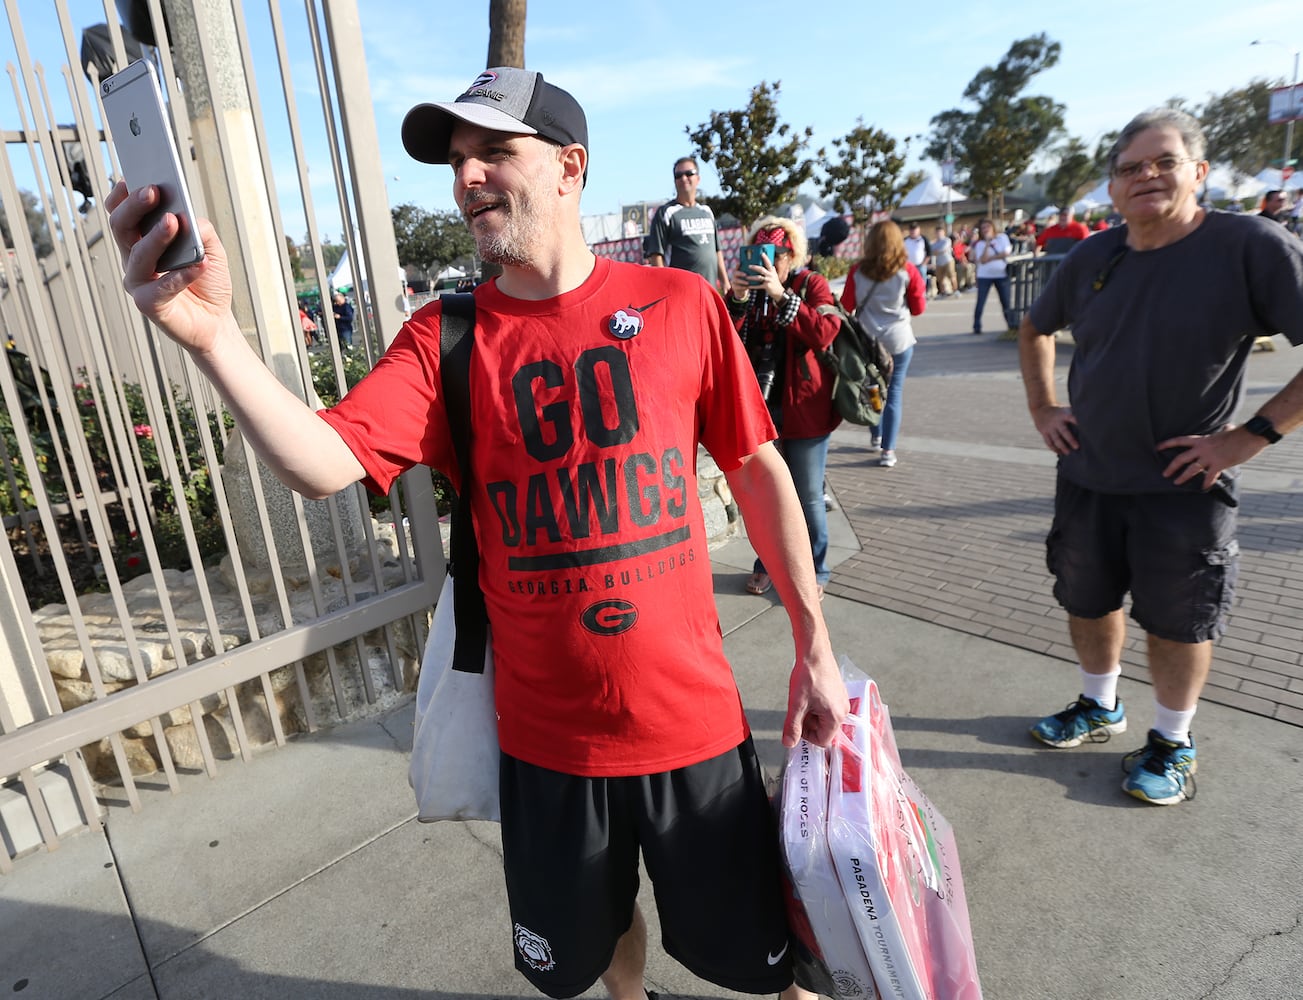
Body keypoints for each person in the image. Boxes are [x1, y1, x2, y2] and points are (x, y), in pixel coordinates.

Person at [106, 65, 845, 1000]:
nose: (467, 178)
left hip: (692, 727)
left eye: (494, 151)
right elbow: (323, 461)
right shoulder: (444, 337)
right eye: (456, 161)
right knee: (599, 940)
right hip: (546, 747)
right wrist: (210, 336)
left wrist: (814, 644)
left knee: (764, 956)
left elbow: (757, 467)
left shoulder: (680, 304)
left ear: (570, 167)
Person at [1018, 107, 1303, 806]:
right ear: (1112, 189)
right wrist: (1042, 408)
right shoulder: (1093, 255)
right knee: (1086, 599)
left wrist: (1248, 437)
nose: (1145, 176)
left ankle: (1172, 740)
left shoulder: (1249, 245)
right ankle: (1099, 706)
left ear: (1197, 173)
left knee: (1178, 621)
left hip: (1183, 484)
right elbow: (1034, 326)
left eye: (1163, 162)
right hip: (1087, 473)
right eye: (1128, 168)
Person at [727, 216, 842, 599]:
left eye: (775, 254)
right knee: (767, 496)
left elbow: (824, 333)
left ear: (791, 255)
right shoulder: (751, 293)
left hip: (804, 408)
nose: (767, 262)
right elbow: (729, 341)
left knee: (809, 495)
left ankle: (817, 569)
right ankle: (767, 566)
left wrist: (782, 295)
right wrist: (738, 298)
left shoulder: (812, 284)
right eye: (757, 253)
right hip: (761, 410)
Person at [840, 220, 926, 468]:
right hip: (899, 341)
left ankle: (876, 433)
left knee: (872, 390)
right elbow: (919, 308)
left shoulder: (857, 271)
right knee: (895, 394)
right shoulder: (908, 270)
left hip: (867, 342)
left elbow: (846, 307)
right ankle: (888, 450)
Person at [645, 156, 730, 295]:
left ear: (698, 178)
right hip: (681, 294)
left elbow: (717, 251)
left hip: (710, 291)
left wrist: (725, 282)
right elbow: (656, 255)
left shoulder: (707, 211)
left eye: (689, 173)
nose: (684, 178)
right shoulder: (666, 212)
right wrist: (663, 288)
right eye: (678, 175)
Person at [968, 217, 1013, 335]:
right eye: (983, 228)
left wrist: (991, 258)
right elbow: (982, 260)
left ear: (993, 227)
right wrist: (987, 244)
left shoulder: (1002, 238)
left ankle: (1011, 325)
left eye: (987, 227)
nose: (985, 230)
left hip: (1001, 274)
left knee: (1006, 302)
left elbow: (1006, 252)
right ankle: (977, 326)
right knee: (980, 301)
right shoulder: (980, 244)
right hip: (984, 275)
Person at [902, 221, 930, 294]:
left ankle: (923, 294)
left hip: (920, 265)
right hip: (909, 266)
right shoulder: (905, 240)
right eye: (911, 229)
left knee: (922, 280)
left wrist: (924, 264)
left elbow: (929, 252)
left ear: (918, 230)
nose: (913, 231)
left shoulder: (923, 239)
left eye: (915, 229)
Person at [930, 223, 957, 296]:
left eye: (940, 232)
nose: (939, 233)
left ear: (943, 232)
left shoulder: (947, 240)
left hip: (948, 261)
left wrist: (936, 251)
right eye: (937, 232)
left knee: (952, 276)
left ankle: (955, 291)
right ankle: (943, 293)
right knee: (940, 279)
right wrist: (936, 252)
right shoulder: (934, 243)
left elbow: (942, 249)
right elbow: (932, 252)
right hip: (939, 263)